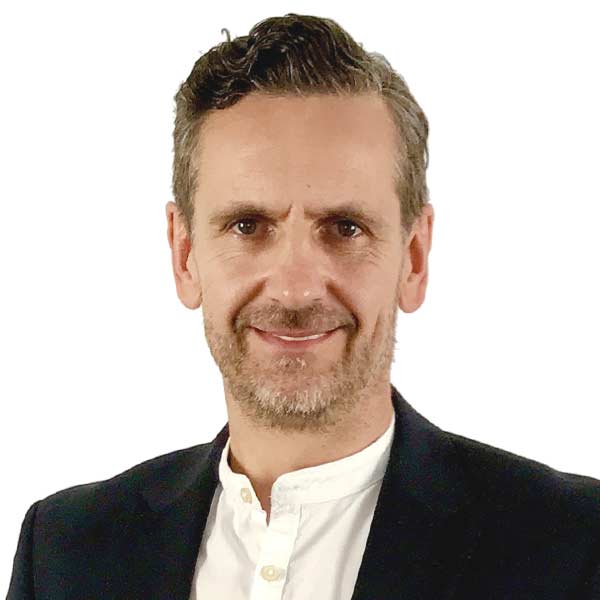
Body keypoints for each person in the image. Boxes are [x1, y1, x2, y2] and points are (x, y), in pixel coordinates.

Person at [7, 12, 600, 600]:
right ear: (184, 255)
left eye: (345, 228)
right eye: (248, 225)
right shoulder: (66, 552)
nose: (295, 290)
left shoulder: (573, 545)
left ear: (414, 258)